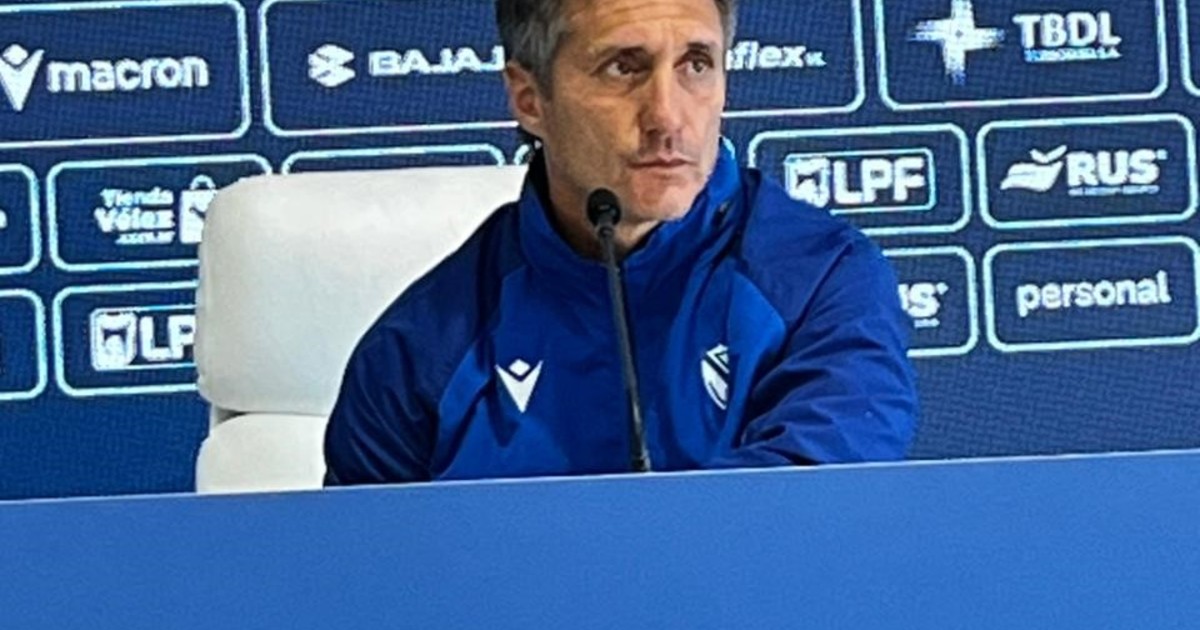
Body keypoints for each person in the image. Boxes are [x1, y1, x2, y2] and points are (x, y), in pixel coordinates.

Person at [322, 0, 918, 485]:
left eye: (696, 64)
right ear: (530, 99)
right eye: (624, 68)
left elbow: (814, 515)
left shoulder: (824, 283)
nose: (668, 117)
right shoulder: (417, 351)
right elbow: (365, 570)